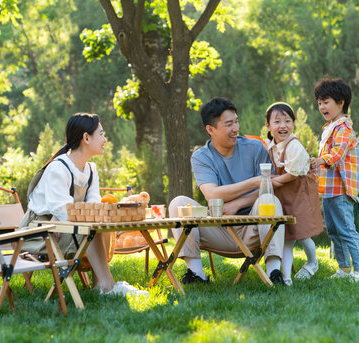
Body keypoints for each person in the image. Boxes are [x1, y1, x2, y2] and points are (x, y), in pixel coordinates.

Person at [21, 113, 149, 297]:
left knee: (97, 224)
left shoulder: (90, 169)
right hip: (40, 231)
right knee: (92, 225)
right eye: (102, 135)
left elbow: (92, 205)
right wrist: (62, 214)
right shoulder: (58, 167)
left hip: (67, 225)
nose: (105, 140)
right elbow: (60, 209)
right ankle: (107, 287)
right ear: (86, 138)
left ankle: (102, 285)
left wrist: (68, 214)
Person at [169, 97, 286, 285]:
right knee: (178, 203)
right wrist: (254, 181)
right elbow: (212, 194)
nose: (236, 128)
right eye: (229, 124)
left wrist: (238, 203)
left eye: (237, 121)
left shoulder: (255, 148)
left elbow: (270, 187)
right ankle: (197, 274)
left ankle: (274, 273)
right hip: (219, 230)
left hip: (254, 227)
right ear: (210, 130)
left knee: (270, 201)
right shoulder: (201, 157)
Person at [310, 77, 359, 281]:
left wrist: (319, 161)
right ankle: (344, 269)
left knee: (347, 230)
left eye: (326, 102)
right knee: (334, 232)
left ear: (341, 102)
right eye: (319, 103)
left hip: (341, 190)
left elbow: (337, 155)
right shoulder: (329, 127)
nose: (321, 106)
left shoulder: (343, 128)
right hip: (328, 190)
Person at [264, 102, 324, 286]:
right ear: (268, 125)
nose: (283, 126)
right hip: (285, 195)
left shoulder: (294, 146)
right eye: (277, 121)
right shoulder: (271, 145)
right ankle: (287, 279)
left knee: (303, 233)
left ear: (293, 124)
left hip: (300, 193)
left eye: (287, 121)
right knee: (287, 237)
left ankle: (313, 262)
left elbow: (291, 175)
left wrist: (270, 182)